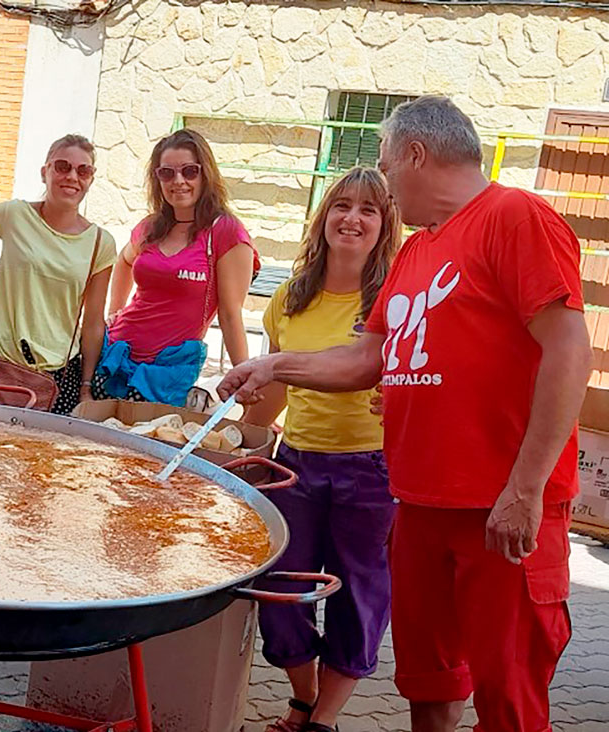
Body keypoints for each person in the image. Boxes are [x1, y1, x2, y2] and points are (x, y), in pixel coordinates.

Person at [219, 96, 590, 732]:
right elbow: (367, 358)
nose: (387, 188)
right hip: (418, 503)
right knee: (427, 683)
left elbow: (569, 349)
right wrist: (275, 366)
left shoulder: (515, 216)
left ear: (416, 154)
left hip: (499, 509)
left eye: (388, 170)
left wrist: (525, 490)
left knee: (509, 695)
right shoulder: (417, 253)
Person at [241, 168, 402, 732]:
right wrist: (242, 446)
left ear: (386, 226)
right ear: (324, 215)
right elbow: (277, 386)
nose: (352, 219)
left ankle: (322, 721)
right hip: (296, 465)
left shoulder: (395, 300)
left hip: (373, 470)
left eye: (368, 210)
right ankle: (303, 696)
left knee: (358, 597)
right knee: (279, 589)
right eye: (341, 205)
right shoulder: (291, 295)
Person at [96, 128, 259, 407]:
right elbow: (124, 261)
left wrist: (243, 373)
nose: (178, 181)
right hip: (115, 354)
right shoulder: (150, 227)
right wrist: (115, 310)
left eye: (189, 171)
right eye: (167, 173)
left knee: (147, 444)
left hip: (166, 372)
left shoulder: (225, 232)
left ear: (205, 174)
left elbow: (231, 315)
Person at [0, 134, 116, 415]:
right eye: (62, 166)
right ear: (45, 172)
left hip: (60, 376)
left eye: (83, 170)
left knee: (43, 458)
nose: (72, 177)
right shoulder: (12, 215)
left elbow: (93, 322)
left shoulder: (100, 243)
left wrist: (86, 386)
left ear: (91, 179)